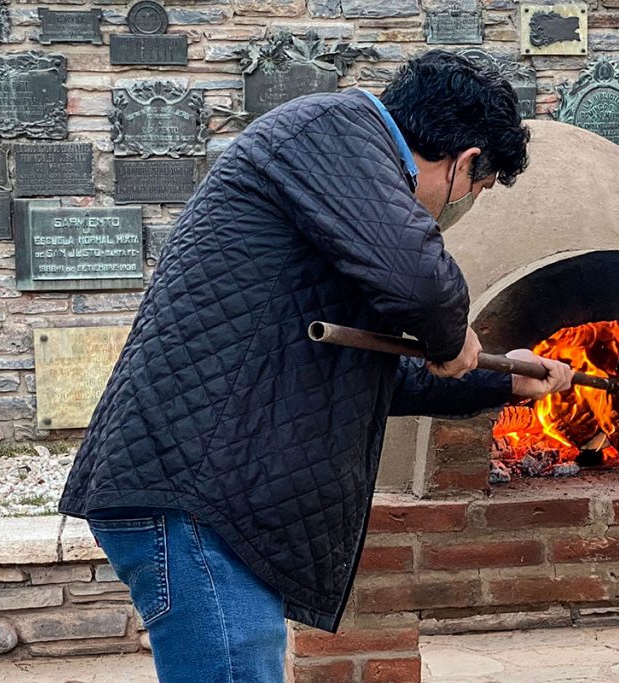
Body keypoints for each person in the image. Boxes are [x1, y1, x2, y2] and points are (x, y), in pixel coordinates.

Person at [57, 50, 574, 683]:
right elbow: (425, 289)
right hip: (192, 494)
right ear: (466, 161)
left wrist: (500, 376)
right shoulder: (330, 133)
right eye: (476, 188)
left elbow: (365, 364)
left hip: (211, 495)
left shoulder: (338, 181)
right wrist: (450, 337)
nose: (456, 206)